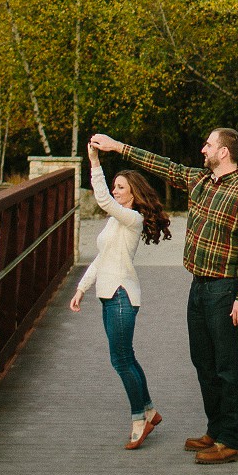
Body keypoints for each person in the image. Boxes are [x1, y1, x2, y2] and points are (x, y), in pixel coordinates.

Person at [90, 128, 238, 465]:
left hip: (226, 288)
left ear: (224, 152)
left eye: (209, 145)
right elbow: (161, 165)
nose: (203, 149)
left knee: (228, 365)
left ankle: (233, 441)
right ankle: (216, 430)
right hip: (198, 285)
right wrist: (117, 147)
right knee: (203, 362)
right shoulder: (200, 181)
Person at [69, 138, 171, 448]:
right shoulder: (117, 221)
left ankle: (139, 419)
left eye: (121, 187)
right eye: (114, 186)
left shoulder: (133, 219)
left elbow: (102, 200)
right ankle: (150, 410)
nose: (115, 191)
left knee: (121, 360)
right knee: (126, 358)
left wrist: (96, 164)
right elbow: (101, 258)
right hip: (110, 296)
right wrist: (82, 287)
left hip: (122, 296)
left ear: (134, 193)